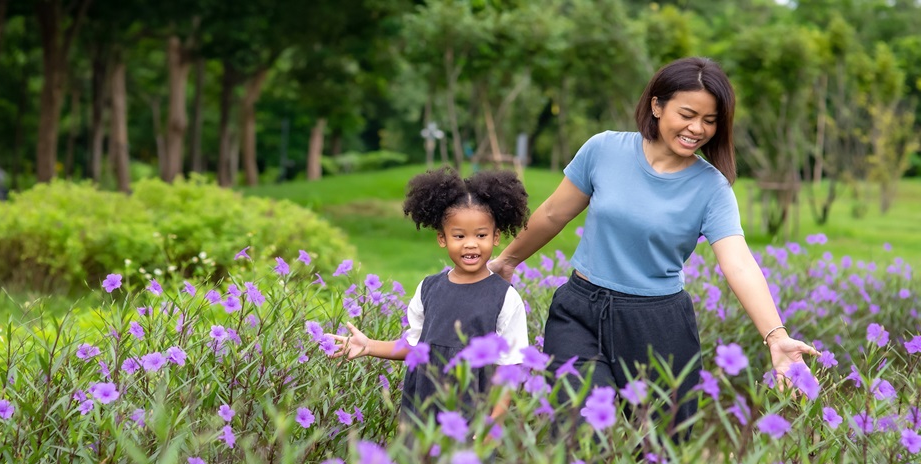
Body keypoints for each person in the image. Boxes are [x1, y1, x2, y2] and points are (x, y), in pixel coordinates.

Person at [487, 57, 819, 436]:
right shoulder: (604, 150)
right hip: (580, 312)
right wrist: (506, 261)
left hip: (658, 326)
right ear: (657, 106)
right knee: (576, 432)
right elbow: (552, 215)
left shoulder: (712, 188)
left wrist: (776, 336)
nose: (697, 128)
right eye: (688, 114)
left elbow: (739, 263)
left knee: (660, 450)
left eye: (710, 121)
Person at [329, 168, 531, 425]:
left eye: (481, 235)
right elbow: (416, 347)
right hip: (422, 410)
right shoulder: (428, 288)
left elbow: (510, 366)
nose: (470, 244)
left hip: (473, 415)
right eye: (459, 236)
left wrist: (494, 422)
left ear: (496, 237)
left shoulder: (505, 297)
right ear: (442, 239)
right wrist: (369, 346)